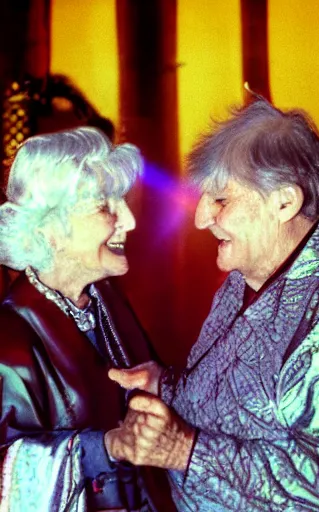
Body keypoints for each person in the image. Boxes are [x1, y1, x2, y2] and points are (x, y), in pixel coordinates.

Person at [106, 99, 319, 511]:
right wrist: (168, 385)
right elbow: (243, 397)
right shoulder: (253, 272)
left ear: (284, 202)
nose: (200, 219)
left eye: (221, 200)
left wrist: (186, 452)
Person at [0, 127, 174, 511]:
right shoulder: (8, 340)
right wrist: (106, 447)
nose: (128, 220)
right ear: (49, 230)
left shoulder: (108, 304)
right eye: (104, 206)